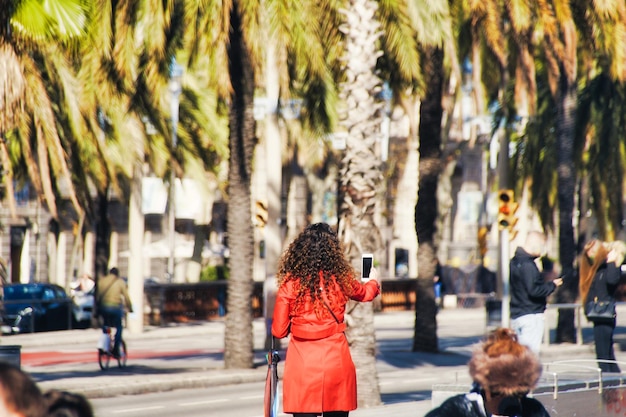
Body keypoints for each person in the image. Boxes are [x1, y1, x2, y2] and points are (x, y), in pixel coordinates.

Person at [271, 223, 381, 417]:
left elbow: (278, 331)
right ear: (333, 250)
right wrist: (373, 280)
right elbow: (365, 294)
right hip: (335, 360)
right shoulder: (341, 278)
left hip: (302, 364)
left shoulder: (290, 284)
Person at [425, 327, 550, 417]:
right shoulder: (458, 410)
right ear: (484, 387)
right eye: (497, 392)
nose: (505, 401)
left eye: (518, 393)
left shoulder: (533, 410)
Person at [509, 231, 563, 354]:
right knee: (530, 357)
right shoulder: (528, 265)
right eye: (542, 246)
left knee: (521, 356)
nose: (543, 251)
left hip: (517, 314)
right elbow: (534, 290)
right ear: (535, 244)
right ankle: (528, 374)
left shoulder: (515, 262)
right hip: (530, 315)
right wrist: (552, 285)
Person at [579, 239, 624, 373]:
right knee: (605, 351)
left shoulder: (609, 267)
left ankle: (610, 382)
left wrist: (611, 261)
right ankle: (615, 381)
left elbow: (612, 281)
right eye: (587, 252)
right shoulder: (596, 269)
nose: (590, 254)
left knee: (603, 353)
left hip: (605, 313)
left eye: (592, 251)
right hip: (597, 313)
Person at [97, 267, 133, 357]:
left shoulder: (102, 281)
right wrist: (130, 307)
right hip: (115, 307)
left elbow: (97, 296)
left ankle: (104, 342)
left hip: (103, 308)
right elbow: (126, 296)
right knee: (119, 327)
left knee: (106, 325)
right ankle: (116, 349)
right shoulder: (120, 282)